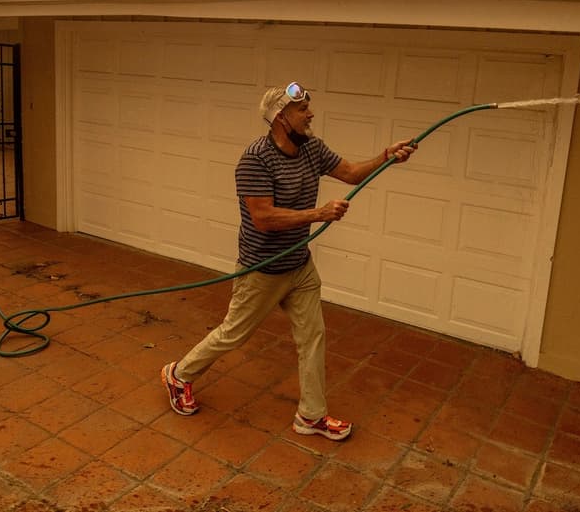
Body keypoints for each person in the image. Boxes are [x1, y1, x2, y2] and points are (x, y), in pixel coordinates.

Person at [161, 82, 416, 441]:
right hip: (262, 268)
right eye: (302, 110)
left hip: (300, 265)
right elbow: (263, 218)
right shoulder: (255, 159)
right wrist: (319, 213)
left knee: (313, 336)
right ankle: (179, 374)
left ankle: (311, 416)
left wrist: (387, 156)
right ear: (280, 118)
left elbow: (352, 173)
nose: (310, 114)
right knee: (234, 334)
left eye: (308, 107)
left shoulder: (311, 148)